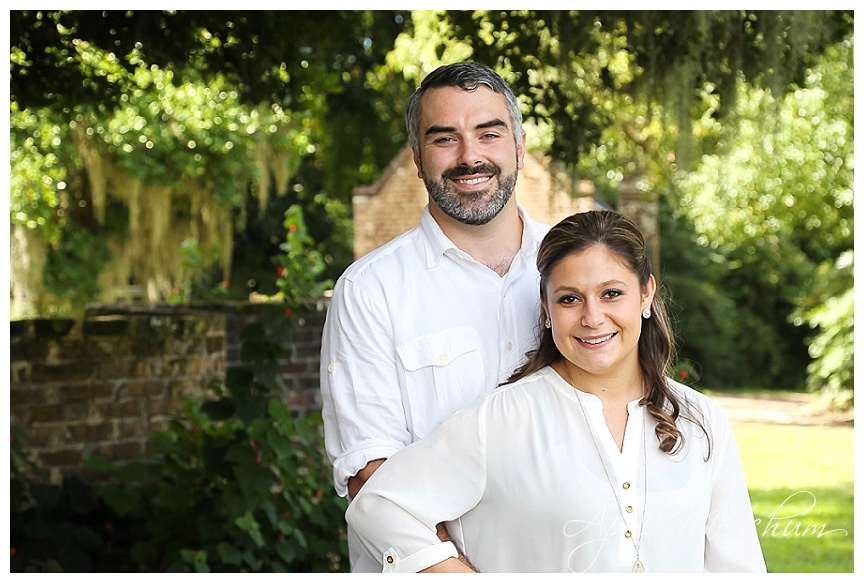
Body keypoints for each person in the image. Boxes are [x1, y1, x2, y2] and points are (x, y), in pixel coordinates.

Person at [346, 210, 767, 573]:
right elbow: (379, 506)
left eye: (611, 294)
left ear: (646, 294)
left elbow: (738, 566)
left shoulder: (701, 421)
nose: (592, 317)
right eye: (569, 299)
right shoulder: (504, 419)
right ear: (546, 310)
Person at [319, 62, 551, 571]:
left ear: (519, 145)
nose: (470, 157)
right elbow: (370, 472)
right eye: (445, 139)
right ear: (418, 159)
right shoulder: (370, 291)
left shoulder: (574, 274)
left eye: (488, 134)